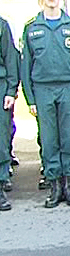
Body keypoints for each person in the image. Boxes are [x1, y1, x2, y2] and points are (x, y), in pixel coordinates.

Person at [20, 0, 70, 207]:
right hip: (42, 89)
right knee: (48, 139)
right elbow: (25, 66)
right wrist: (30, 98)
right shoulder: (31, 28)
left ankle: (69, 183)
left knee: (67, 138)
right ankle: (54, 184)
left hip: (68, 88)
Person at [0, 15, 20, 210]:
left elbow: (10, 58)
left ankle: (0, 181)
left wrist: (10, 90)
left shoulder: (1, 26)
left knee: (0, 137)